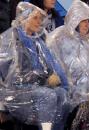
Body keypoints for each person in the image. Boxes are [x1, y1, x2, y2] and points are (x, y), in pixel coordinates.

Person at [0, 2, 69, 130]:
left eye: (40, 19)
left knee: (62, 94)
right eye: (35, 18)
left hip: (37, 87)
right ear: (24, 18)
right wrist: (45, 78)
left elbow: (51, 63)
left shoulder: (38, 41)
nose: (39, 22)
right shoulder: (10, 39)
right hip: (16, 90)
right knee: (48, 95)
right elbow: (12, 76)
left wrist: (57, 76)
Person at [48, 0, 89, 107]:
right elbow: (56, 66)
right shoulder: (58, 38)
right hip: (72, 92)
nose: (87, 24)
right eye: (83, 21)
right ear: (74, 20)